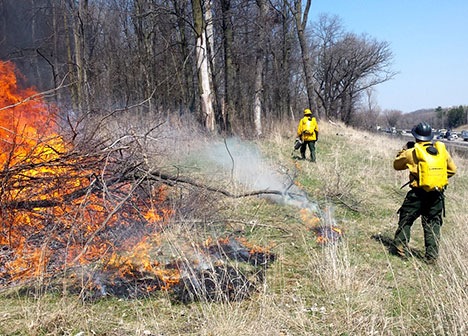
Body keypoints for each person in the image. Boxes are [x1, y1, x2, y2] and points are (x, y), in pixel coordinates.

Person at [393, 122, 456, 263]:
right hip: (436, 194)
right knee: (433, 224)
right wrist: (437, 178)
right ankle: (431, 256)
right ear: (430, 137)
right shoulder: (441, 152)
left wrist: (403, 151)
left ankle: (401, 248)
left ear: (416, 136)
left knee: (406, 218)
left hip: (417, 194)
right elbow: (452, 170)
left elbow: (396, 165)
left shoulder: (411, 152)